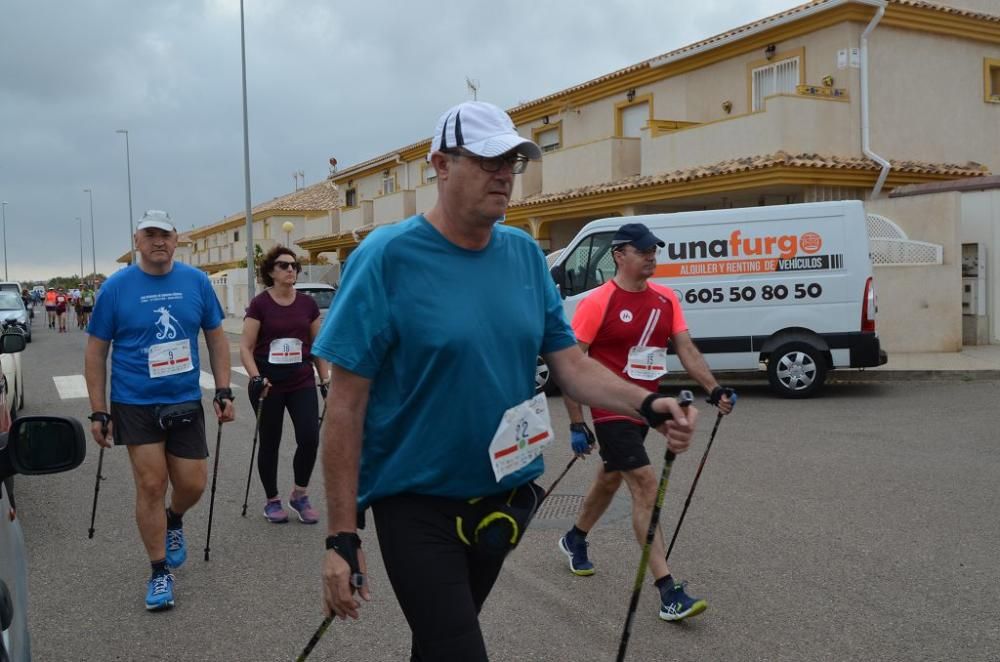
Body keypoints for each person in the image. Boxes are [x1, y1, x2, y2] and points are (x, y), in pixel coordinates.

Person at [313, 101, 701, 662]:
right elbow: (345, 406)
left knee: (444, 640)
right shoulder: (386, 258)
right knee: (459, 648)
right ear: (440, 164)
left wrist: (648, 403)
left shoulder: (522, 254)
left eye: (513, 161)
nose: (504, 173)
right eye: (489, 158)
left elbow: (570, 364)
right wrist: (341, 536)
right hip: (416, 500)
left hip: (503, 494)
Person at [556, 221, 735, 623]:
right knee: (645, 482)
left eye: (654, 249)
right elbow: (572, 365)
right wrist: (576, 422)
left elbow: (685, 348)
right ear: (620, 256)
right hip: (610, 408)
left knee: (611, 477)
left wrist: (714, 388)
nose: (652, 255)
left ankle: (575, 538)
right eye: (642, 250)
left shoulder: (665, 299)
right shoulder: (598, 301)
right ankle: (668, 590)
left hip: (646, 406)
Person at [84, 209, 236, 611]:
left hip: (184, 397)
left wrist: (223, 388)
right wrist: (99, 410)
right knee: (150, 484)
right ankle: (158, 572)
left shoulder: (197, 282)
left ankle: (174, 518)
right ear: (137, 240)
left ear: (176, 239)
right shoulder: (115, 289)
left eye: (165, 234)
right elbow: (96, 351)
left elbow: (217, 339)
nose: (158, 242)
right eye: (150, 234)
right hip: (134, 401)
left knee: (192, 483)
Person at [239, 245, 328, 524]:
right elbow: (246, 346)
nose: (291, 269)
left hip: (301, 380)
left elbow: (317, 347)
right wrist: (256, 378)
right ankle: (272, 500)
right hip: (268, 383)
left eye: (294, 266)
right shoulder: (260, 304)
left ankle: (299, 495)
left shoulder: (307, 304)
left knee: (309, 438)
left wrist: (324, 379)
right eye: (284, 265)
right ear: (270, 271)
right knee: (270, 442)